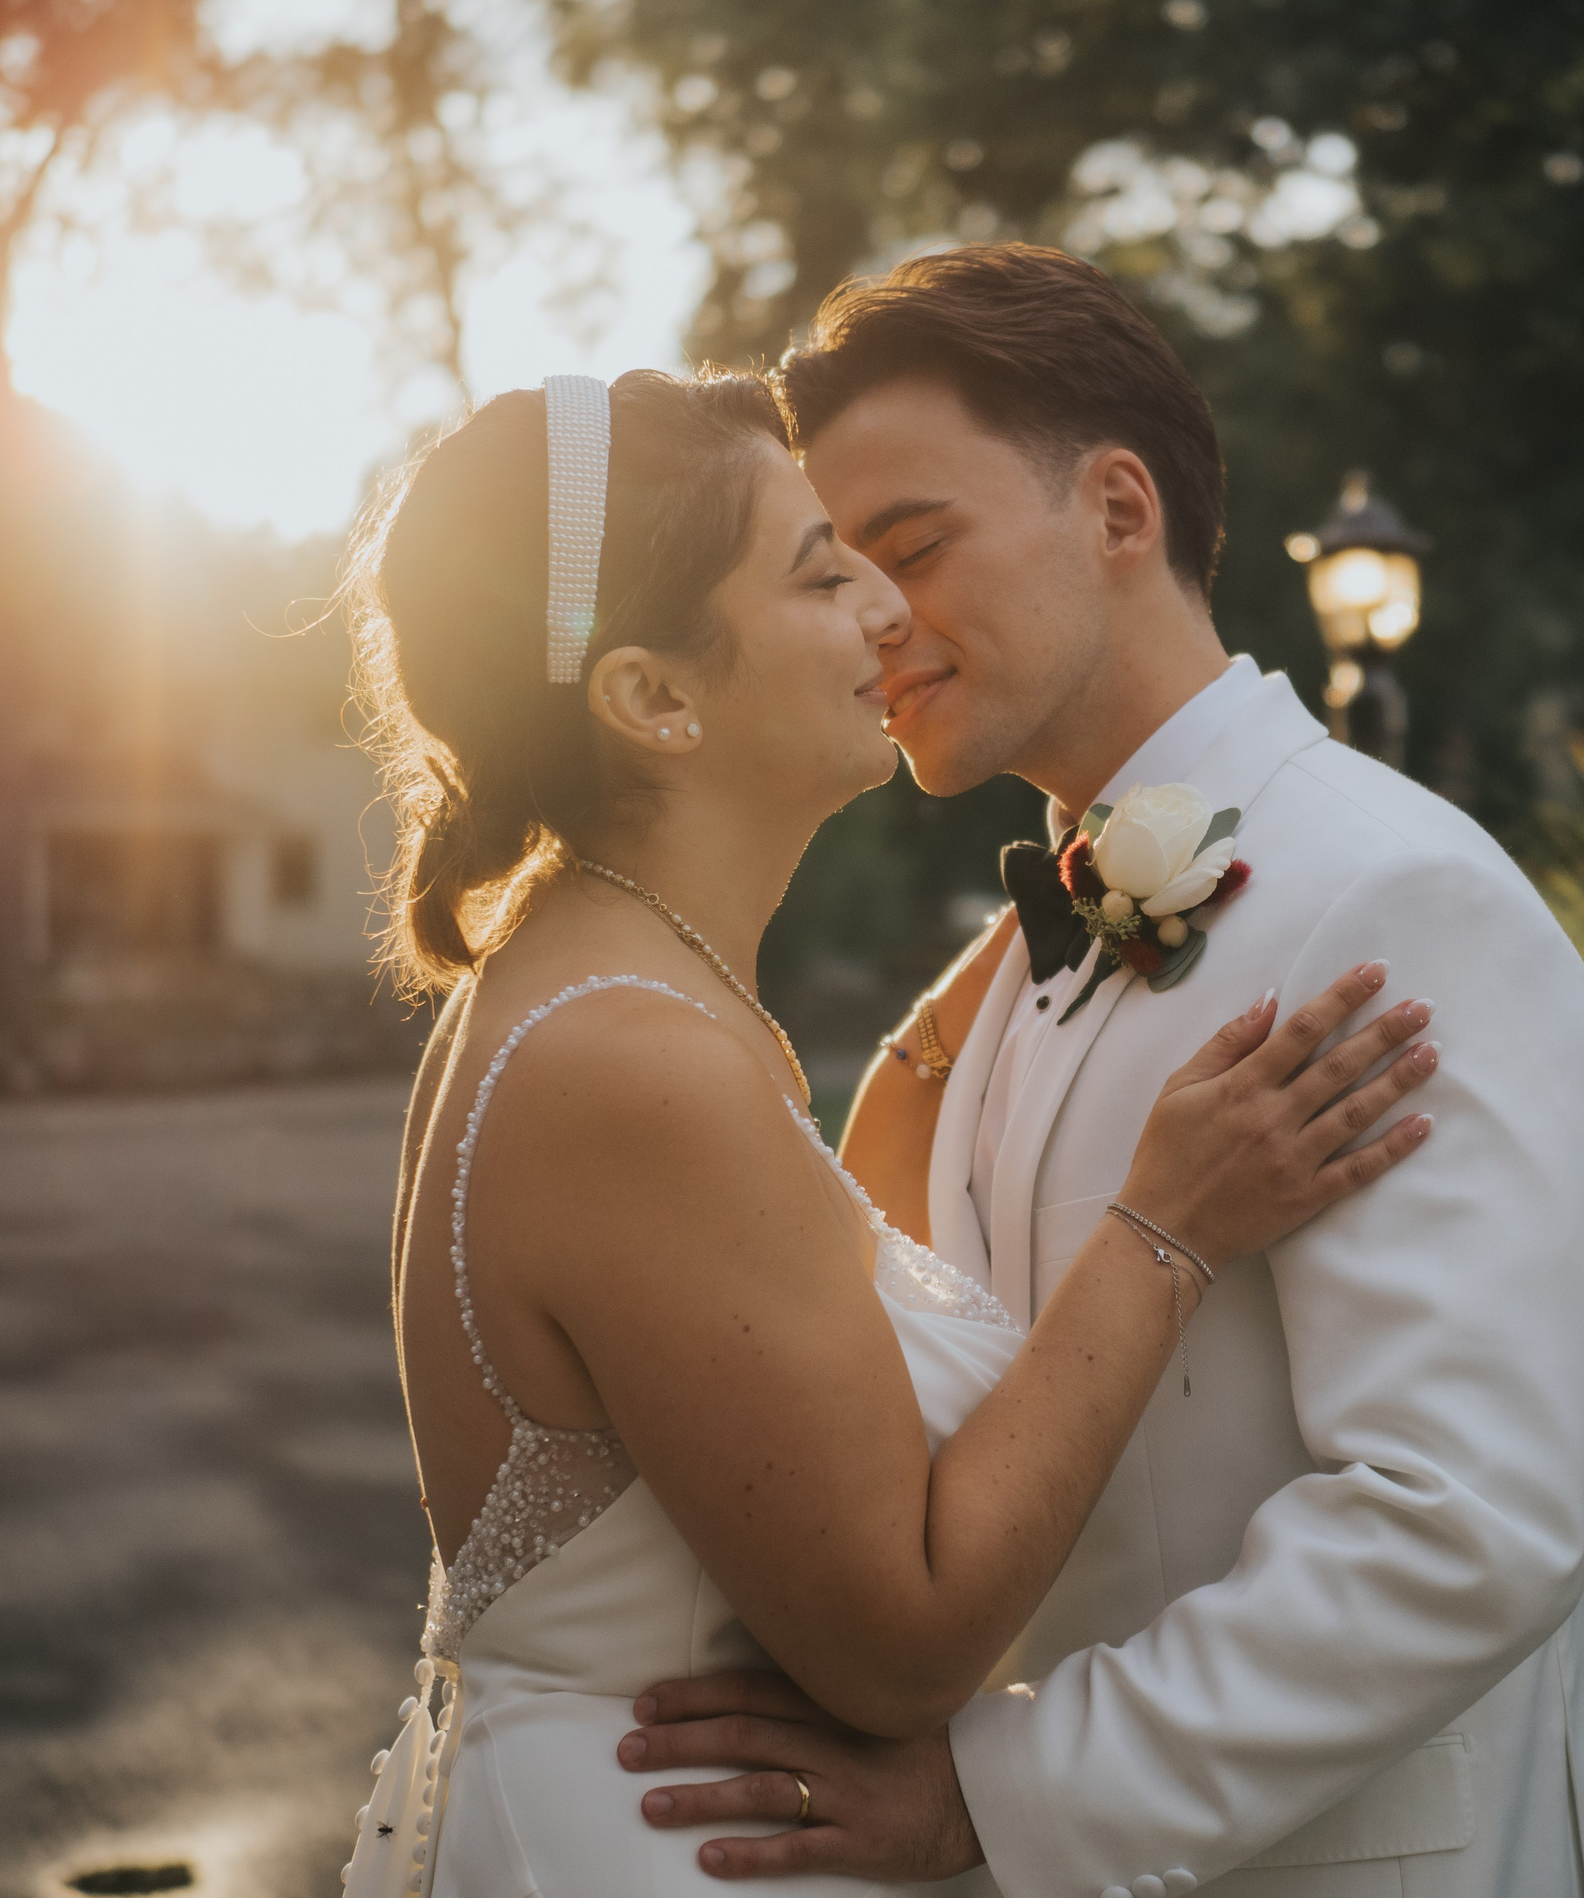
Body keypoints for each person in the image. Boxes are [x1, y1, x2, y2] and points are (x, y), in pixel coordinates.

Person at [617, 248, 1584, 1897]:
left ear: (1117, 509)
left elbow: (1463, 1523)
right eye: (843, 571)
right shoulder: (1018, 961)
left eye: (915, 544)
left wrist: (989, 1804)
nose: (878, 617)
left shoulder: (1396, 898)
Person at [341, 366, 1440, 1898]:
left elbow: (776, 1352)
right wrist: (1164, 1232)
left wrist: (1065, 915)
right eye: (820, 570)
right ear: (653, 698)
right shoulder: (634, 1064)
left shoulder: (595, 984)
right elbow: (901, 1644)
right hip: (677, 1851)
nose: (886, 611)